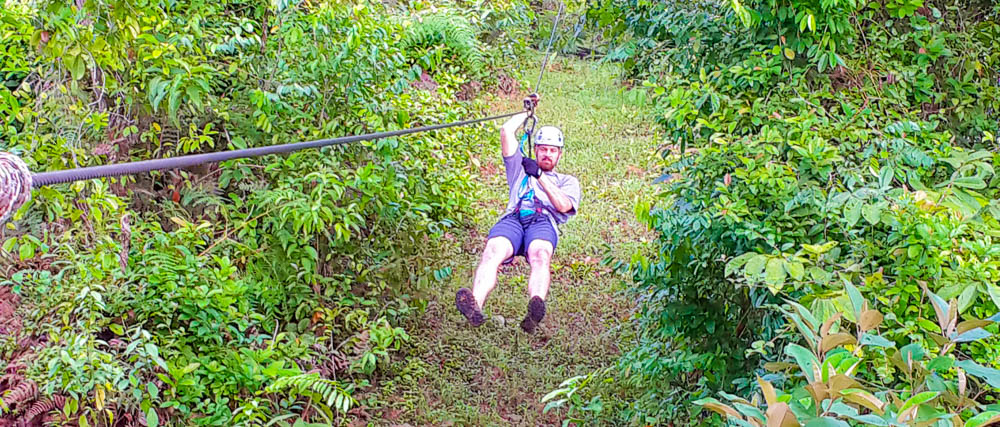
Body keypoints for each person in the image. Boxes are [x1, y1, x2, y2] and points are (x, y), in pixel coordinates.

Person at [455, 95, 582, 333]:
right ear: (535, 149)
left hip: (542, 220)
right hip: (513, 218)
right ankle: (475, 306)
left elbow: (563, 205)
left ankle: (535, 309)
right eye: (543, 149)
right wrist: (527, 113)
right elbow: (506, 131)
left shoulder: (567, 181)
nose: (546, 154)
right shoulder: (518, 167)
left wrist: (540, 177)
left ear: (559, 155)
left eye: (552, 151)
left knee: (540, 254)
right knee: (492, 251)